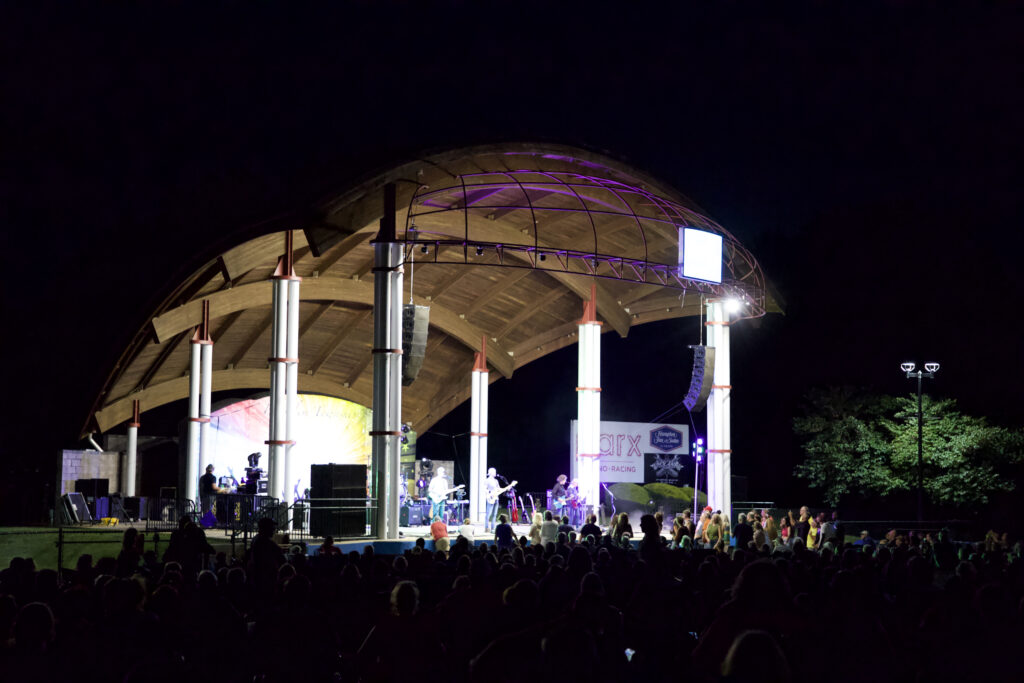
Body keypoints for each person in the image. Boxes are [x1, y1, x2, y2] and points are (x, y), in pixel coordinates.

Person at [484, 467, 500, 532]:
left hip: (496, 498)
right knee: (488, 514)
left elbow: (498, 488)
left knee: (495, 514)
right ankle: (486, 528)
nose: (495, 473)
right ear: (490, 473)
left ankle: (493, 528)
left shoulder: (496, 481)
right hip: (490, 499)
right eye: (494, 472)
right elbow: (485, 489)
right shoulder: (487, 480)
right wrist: (489, 494)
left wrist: (507, 488)